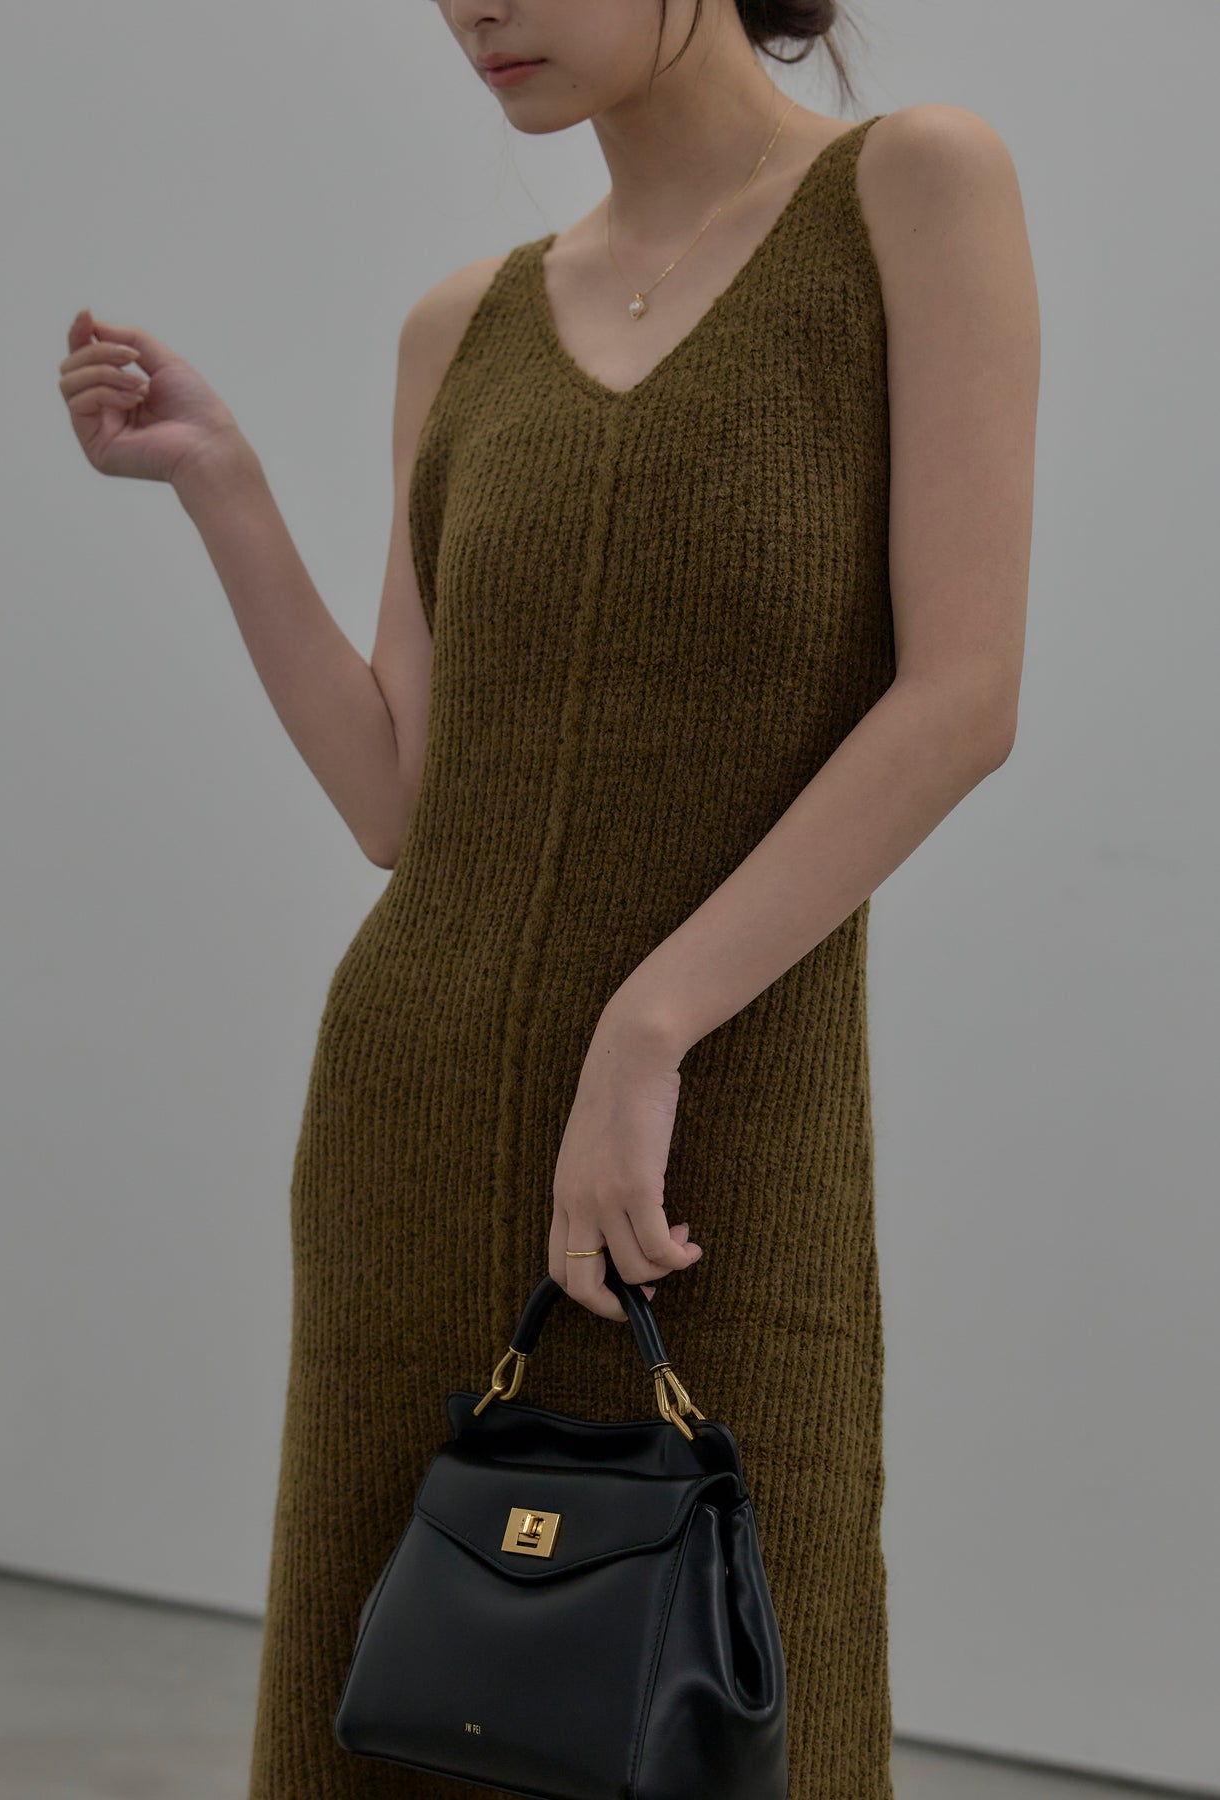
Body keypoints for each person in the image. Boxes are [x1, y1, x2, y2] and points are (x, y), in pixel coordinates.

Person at [57, 1, 1038, 1794]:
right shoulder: (463, 325)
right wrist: (224, 488)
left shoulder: (908, 192)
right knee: (399, 1712)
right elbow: (399, 801)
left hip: (715, 1139)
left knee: (755, 1703)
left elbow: (960, 698)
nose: (475, 6)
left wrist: (647, 1027)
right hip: (415, 1121)